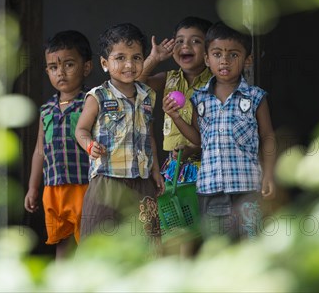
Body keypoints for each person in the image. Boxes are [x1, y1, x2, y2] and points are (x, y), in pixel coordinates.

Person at [163, 22, 276, 241]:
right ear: (207, 59)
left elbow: (268, 137)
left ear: (248, 59)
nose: (224, 61)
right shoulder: (199, 99)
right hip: (210, 189)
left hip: (248, 187)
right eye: (217, 54)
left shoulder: (255, 97)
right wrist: (177, 118)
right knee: (218, 248)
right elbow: (198, 139)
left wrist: (269, 174)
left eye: (233, 55)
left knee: (250, 245)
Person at [75, 23, 165, 244]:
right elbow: (81, 129)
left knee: (146, 241)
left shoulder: (147, 95)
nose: (129, 64)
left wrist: (155, 171)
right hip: (107, 181)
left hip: (141, 181)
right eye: (120, 58)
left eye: (136, 58)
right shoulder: (98, 96)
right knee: (99, 240)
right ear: (105, 63)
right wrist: (89, 145)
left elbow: (149, 136)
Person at [24, 30, 93, 259]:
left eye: (69, 65)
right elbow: (38, 151)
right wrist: (34, 188)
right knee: (61, 244)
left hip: (84, 186)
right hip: (53, 190)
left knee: (87, 242)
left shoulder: (92, 103)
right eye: (53, 67)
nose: (60, 72)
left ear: (86, 67)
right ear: (47, 71)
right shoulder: (46, 110)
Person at [138, 16, 213, 186]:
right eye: (179, 41)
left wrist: (194, 149)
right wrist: (154, 59)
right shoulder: (168, 78)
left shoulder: (216, 83)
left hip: (208, 163)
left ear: (209, 50)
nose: (185, 46)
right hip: (175, 164)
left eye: (195, 41)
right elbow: (137, 84)